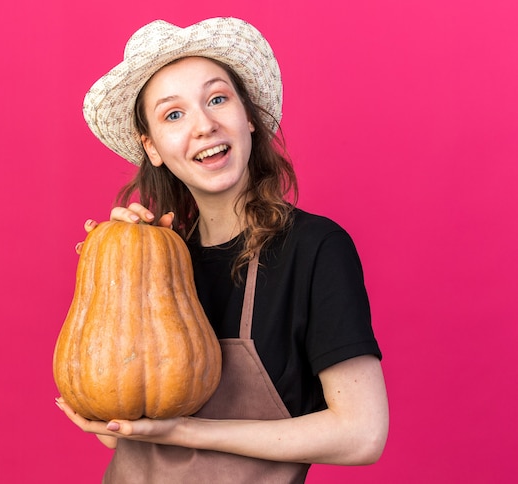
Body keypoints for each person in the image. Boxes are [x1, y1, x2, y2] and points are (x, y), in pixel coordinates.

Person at [55, 17, 389, 483]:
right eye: (174, 114)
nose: (204, 126)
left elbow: (362, 433)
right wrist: (116, 265)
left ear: (248, 117)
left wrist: (188, 432)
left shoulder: (315, 250)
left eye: (217, 99)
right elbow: (122, 430)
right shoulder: (160, 257)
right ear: (151, 148)